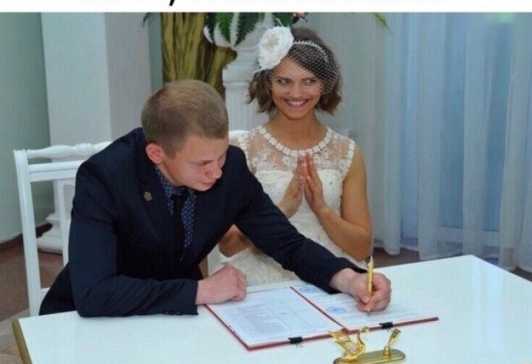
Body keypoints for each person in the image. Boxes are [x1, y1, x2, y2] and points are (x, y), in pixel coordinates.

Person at [40, 79, 391, 317]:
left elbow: (286, 243)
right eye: (202, 164)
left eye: (221, 156)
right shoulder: (104, 177)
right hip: (89, 322)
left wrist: (348, 279)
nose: (217, 172)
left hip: (177, 321)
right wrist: (199, 292)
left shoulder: (230, 167)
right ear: (156, 153)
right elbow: (95, 293)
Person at [218, 26, 372, 285]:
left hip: (335, 272)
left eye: (308, 81)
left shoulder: (347, 153)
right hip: (264, 271)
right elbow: (228, 246)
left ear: (324, 84)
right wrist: (280, 213)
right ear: (268, 83)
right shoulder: (242, 151)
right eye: (284, 81)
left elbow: (362, 248)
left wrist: (322, 209)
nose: (296, 93)